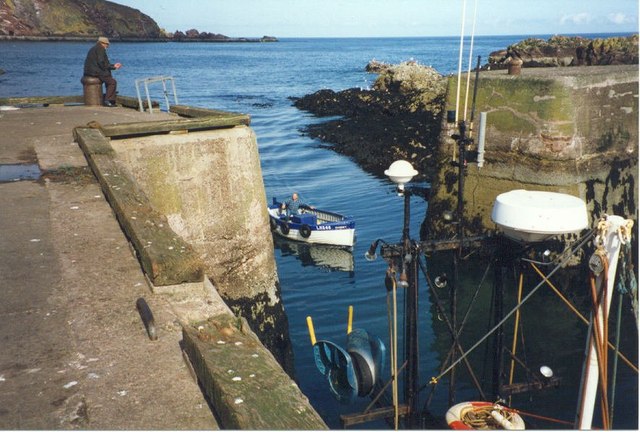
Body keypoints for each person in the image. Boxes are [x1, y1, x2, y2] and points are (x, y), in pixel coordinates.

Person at [83, 36, 122, 107]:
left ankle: (109, 99)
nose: (108, 46)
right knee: (112, 82)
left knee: (108, 77)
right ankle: (108, 100)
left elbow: (102, 63)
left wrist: (113, 66)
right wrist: (113, 67)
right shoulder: (100, 49)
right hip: (95, 72)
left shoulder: (94, 48)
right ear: (102, 43)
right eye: (107, 44)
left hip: (90, 71)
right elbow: (101, 62)